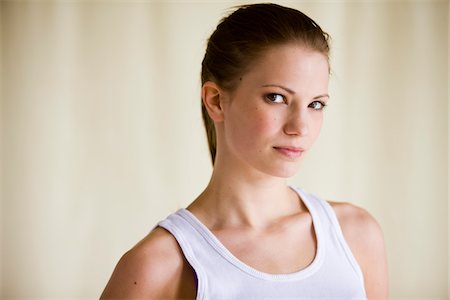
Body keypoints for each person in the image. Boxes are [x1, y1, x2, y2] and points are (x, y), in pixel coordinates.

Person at [100, 3, 389, 299]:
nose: (300, 127)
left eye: (316, 104)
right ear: (216, 100)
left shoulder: (356, 235)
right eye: (276, 97)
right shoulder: (159, 266)